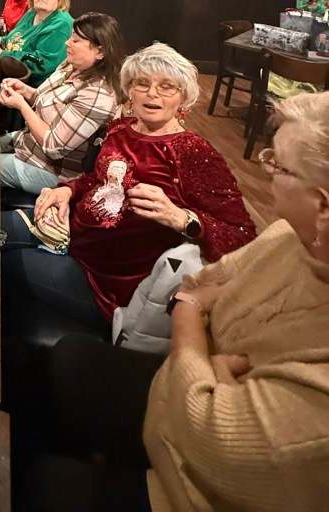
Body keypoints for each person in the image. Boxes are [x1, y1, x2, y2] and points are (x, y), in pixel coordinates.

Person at [26, 88, 329, 512]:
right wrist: (208, 362)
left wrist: (190, 320)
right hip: (176, 385)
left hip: (182, 487)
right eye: (140, 83)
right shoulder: (288, 237)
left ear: (322, 206)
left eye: (276, 165)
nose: (266, 172)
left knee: (40, 483)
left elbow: (213, 444)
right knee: (56, 363)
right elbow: (202, 282)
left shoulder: (193, 152)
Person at [1, 42, 255, 333]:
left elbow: (243, 237)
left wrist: (183, 219)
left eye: (166, 87)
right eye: (142, 83)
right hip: (67, 231)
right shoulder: (122, 128)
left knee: (3, 263)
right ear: (130, 91)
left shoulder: (192, 152)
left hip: (103, 280)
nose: (152, 93)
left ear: (183, 97)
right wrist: (68, 190)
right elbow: (98, 179)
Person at [0, 13, 124, 194]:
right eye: (71, 37)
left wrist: (22, 106)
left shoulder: (98, 95)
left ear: (100, 52)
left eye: (76, 40)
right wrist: (25, 90)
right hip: (26, 144)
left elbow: (53, 146)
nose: (67, 43)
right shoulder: (71, 66)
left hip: (50, 170)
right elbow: (44, 102)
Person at [0, 0, 73, 86]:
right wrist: (2, 40)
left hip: (33, 85)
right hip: (11, 72)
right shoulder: (33, 12)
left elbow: (42, 64)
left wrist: (2, 54)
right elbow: (18, 36)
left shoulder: (61, 24)